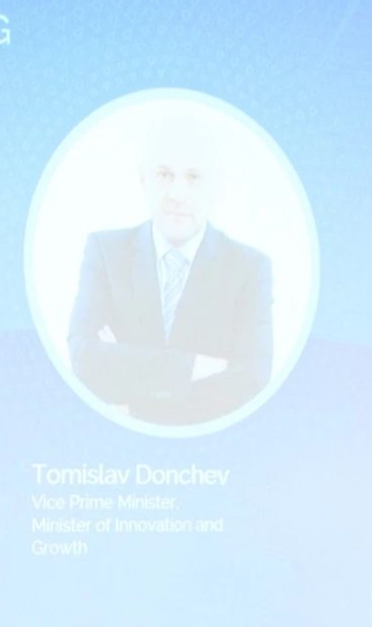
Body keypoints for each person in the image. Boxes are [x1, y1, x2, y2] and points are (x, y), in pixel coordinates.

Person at [67, 112, 275, 427]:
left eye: (194, 177)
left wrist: (132, 398)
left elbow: (249, 384)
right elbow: (84, 360)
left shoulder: (249, 269)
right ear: (143, 179)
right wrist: (194, 367)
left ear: (215, 184)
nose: (177, 194)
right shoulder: (105, 253)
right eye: (164, 174)